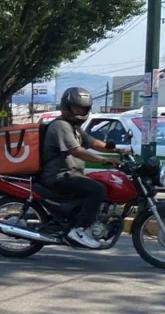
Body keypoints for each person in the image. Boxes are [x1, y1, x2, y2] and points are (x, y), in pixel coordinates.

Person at [40, 87, 130, 249]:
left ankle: (82, 222)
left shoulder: (74, 127)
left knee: (100, 183)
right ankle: (79, 230)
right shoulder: (61, 126)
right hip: (58, 176)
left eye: (82, 108)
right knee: (97, 189)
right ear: (66, 107)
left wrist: (117, 150)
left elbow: (93, 142)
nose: (79, 111)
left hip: (71, 174)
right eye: (76, 107)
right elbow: (77, 151)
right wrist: (104, 159)